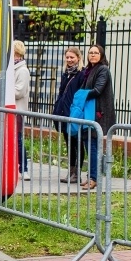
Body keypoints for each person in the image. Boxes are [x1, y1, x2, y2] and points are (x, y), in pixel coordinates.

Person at [80, 44, 116, 190]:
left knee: (93, 145)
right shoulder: (90, 70)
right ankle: (91, 176)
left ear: (101, 55)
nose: (92, 55)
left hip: (99, 113)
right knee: (90, 144)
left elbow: (98, 90)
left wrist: (81, 95)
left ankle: (94, 178)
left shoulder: (103, 70)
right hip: (90, 112)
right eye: (90, 53)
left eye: (95, 53)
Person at [52, 47, 85, 183]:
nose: (69, 60)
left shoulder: (81, 74)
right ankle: (71, 171)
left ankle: (77, 173)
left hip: (74, 113)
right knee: (69, 143)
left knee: (78, 143)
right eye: (67, 57)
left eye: (72, 57)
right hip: (64, 112)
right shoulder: (66, 73)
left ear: (78, 58)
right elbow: (62, 93)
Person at [13, 40, 31, 181]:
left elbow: (19, 91)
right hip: (11, 110)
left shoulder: (22, 71)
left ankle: (23, 168)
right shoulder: (13, 69)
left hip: (17, 110)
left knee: (17, 139)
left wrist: (5, 91)